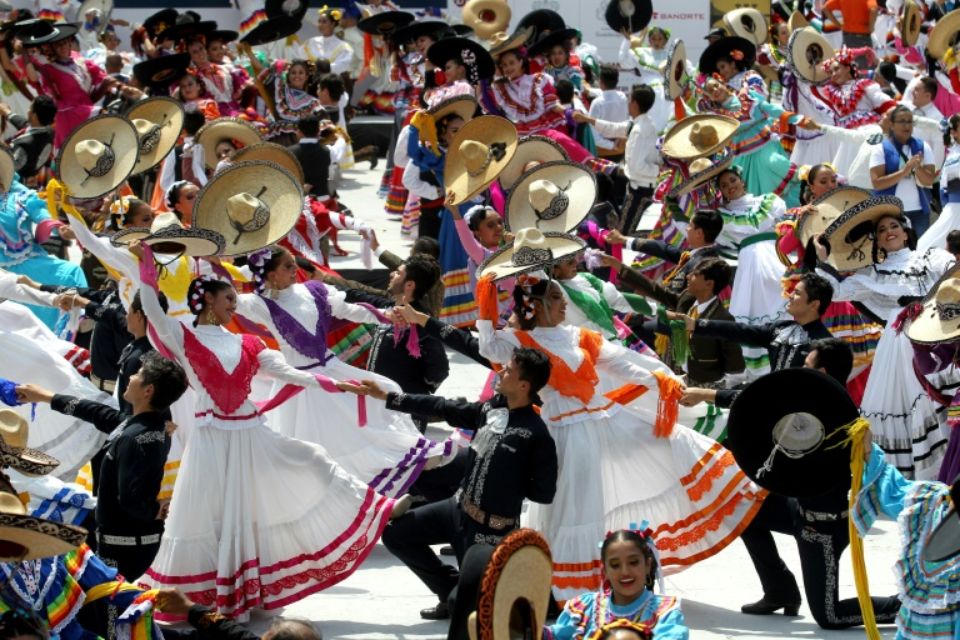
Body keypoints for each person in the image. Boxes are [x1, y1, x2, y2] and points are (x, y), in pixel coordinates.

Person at [130, 242, 394, 616]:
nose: (235, 306)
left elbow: (290, 372)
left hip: (250, 435)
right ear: (206, 299)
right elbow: (153, 311)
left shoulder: (248, 343)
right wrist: (145, 268)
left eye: (235, 300)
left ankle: (374, 507)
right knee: (212, 514)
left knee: (309, 459)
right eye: (228, 300)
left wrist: (342, 385)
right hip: (210, 439)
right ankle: (213, 600)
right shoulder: (183, 336)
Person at [475, 270, 765, 601]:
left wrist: (660, 380)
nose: (563, 303)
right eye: (556, 298)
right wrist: (486, 296)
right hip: (563, 432)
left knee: (671, 443)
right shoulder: (521, 340)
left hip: (598, 421)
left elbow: (621, 362)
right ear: (537, 304)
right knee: (570, 506)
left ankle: (579, 586)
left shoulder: (576, 336)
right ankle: (564, 587)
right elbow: (489, 345)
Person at [348, 347, 557, 620]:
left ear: (523, 384)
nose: (500, 373)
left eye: (507, 370)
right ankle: (447, 588)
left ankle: (462, 595)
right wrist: (387, 397)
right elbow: (443, 407)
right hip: (456, 509)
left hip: (488, 534)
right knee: (396, 535)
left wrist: (507, 485)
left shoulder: (536, 435)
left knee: (474, 614)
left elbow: (543, 492)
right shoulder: (492, 408)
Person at [234, 245, 453, 495]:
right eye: (287, 266)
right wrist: (217, 265)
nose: (296, 269)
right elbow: (225, 298)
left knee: (374, 407)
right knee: (309, 445)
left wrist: (385, 315)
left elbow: (351, 310)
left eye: (294, 263)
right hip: (298, 383)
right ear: (271, 274)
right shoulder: (257, 304)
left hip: (331, 370)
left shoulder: (313, 291)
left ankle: (375, 484)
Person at [737, 337, 902, 627]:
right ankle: (780, 591)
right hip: (798, 511)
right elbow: (759, 402)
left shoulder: (849, 426)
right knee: (743, 513)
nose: (800, 369)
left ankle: (908, 606)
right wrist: (705, 395)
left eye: (806, 365)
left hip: (824, 529)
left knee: (829, 615)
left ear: (821, 374)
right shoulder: (808, 408)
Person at [17, 352, 189, 579]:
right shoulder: (146, 426)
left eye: (138, 374)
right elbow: (97, 413)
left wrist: (155, 509)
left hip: (123, 548)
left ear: (148, 391)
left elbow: (130, 499)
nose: (131, 377)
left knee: (111, 607)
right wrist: (45, 396)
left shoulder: (135, 437)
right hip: (126, 542)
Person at [815, 212, 953, 480]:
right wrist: (823, 257)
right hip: (902, 341)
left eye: (894, 226)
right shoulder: (873, 274)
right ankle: (924, 476)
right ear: (876, 240)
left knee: (944, 395)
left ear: (905, 232)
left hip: (937, 330)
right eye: (881, 230)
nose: (889, 231)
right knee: (915, 399)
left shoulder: (931, 257)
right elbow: (835, 290)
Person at [679, 272, 835, 408]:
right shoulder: (781, 328)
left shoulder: (824, 345)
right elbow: (740, 331)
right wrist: (695, 324)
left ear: (814, 304)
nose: (791, 296)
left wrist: (705, 395)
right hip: (767, 405)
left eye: (798, 293)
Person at [544, 528, 688, 639]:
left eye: (633, 562)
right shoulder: (585, 608)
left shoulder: (664, 613)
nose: (625, 571)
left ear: (648, 565)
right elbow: (554, 636)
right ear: (605, 570)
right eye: (615, 565)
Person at [364, 254, 449, 432]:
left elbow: (439, 369)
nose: (391, 274)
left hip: (404, 414)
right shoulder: (389, 309)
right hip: (379, 407)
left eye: (398, 273)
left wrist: (416, 390)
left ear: (409, 285)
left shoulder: (422, 323)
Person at [573, 85, 660, 230]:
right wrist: (587, 119)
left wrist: (657, 171)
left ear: (635, 104)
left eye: (630, 99)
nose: (628, 103)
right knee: (625, 230)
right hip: (639, 187)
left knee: (623, 233)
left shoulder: (639, 130)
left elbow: (636, 167)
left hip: (639, 191)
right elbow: (613, 128)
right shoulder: (643, 123)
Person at [870, 105, 937, 236]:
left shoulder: (923, 146)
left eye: (909, 121)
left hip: (918, 212)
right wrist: (905, 171)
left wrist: (917, 167)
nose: (906, 125)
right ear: (892, 125)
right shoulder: (880, 148)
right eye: (901, 121)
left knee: (919, 251)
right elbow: (877, 183)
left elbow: (929, 180)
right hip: (889, 213)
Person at [822, 0, 878, 68]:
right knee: (865, 69)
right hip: (863, 38)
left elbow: (825, 8)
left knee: (847, 67)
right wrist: (871, 27)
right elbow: (874, 9)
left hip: (847, 38)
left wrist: (838, 25)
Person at [287, 115, 332, 198]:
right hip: (323, 199)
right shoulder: (328, 150)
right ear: (319, 131)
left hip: (297, 201)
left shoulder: (288, 152)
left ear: (299, 132)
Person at [588, 66, 629, 155]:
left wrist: (612, 146)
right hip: (622, 147)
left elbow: (594, 135)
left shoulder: (597, 103)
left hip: (604, 150)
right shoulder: (623, 97)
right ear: (617, 82)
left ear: (601, 82)